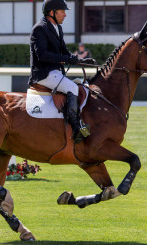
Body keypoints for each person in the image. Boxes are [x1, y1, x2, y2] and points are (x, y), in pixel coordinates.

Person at [28, 0, 96, 143]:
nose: (65, 15)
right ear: (52, 12)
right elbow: (42, 55)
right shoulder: (39, 29)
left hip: (55, 72)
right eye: (62, 11)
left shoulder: (57, 28)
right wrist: (66, 59)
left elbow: (64, 52)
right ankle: (76, 128)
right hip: (43, 74)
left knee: (80, 85)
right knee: (72, 87)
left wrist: (80, 60)